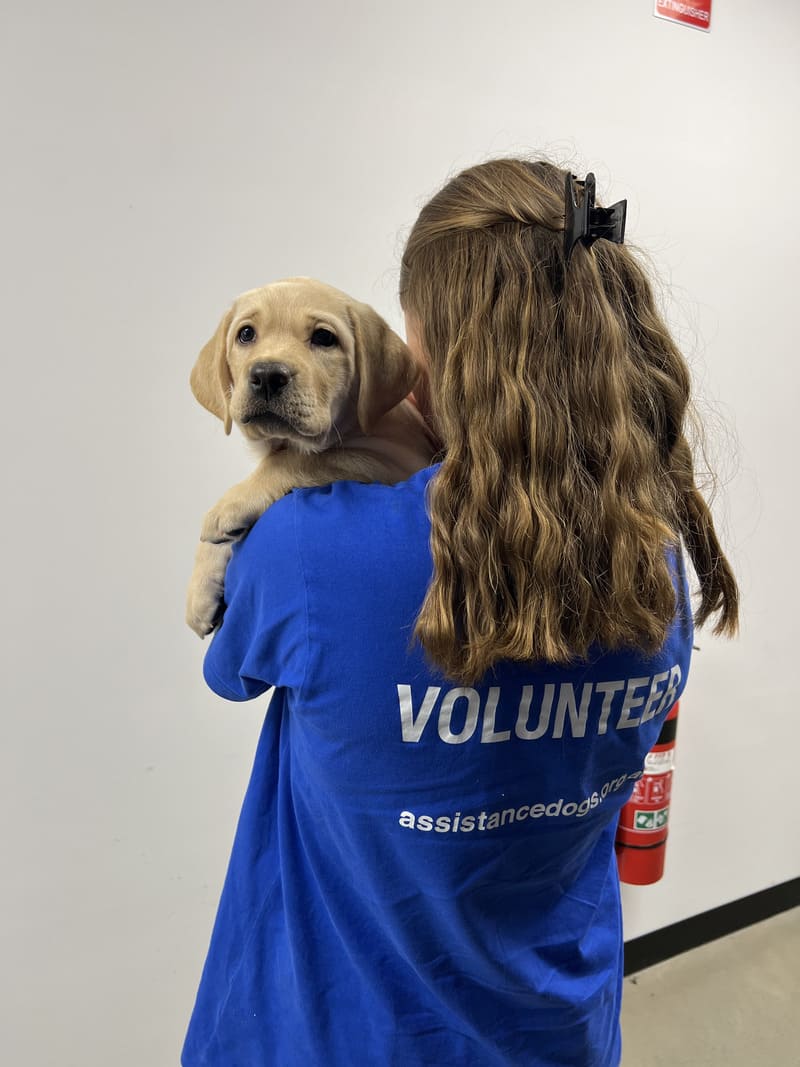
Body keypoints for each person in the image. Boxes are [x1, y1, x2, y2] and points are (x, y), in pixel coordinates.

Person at [181, 157, 738, 1067]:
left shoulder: (308, 549)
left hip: (342, 1031)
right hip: (557, 1027)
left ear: (427, 345)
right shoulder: (660, 554)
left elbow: (230, 669)